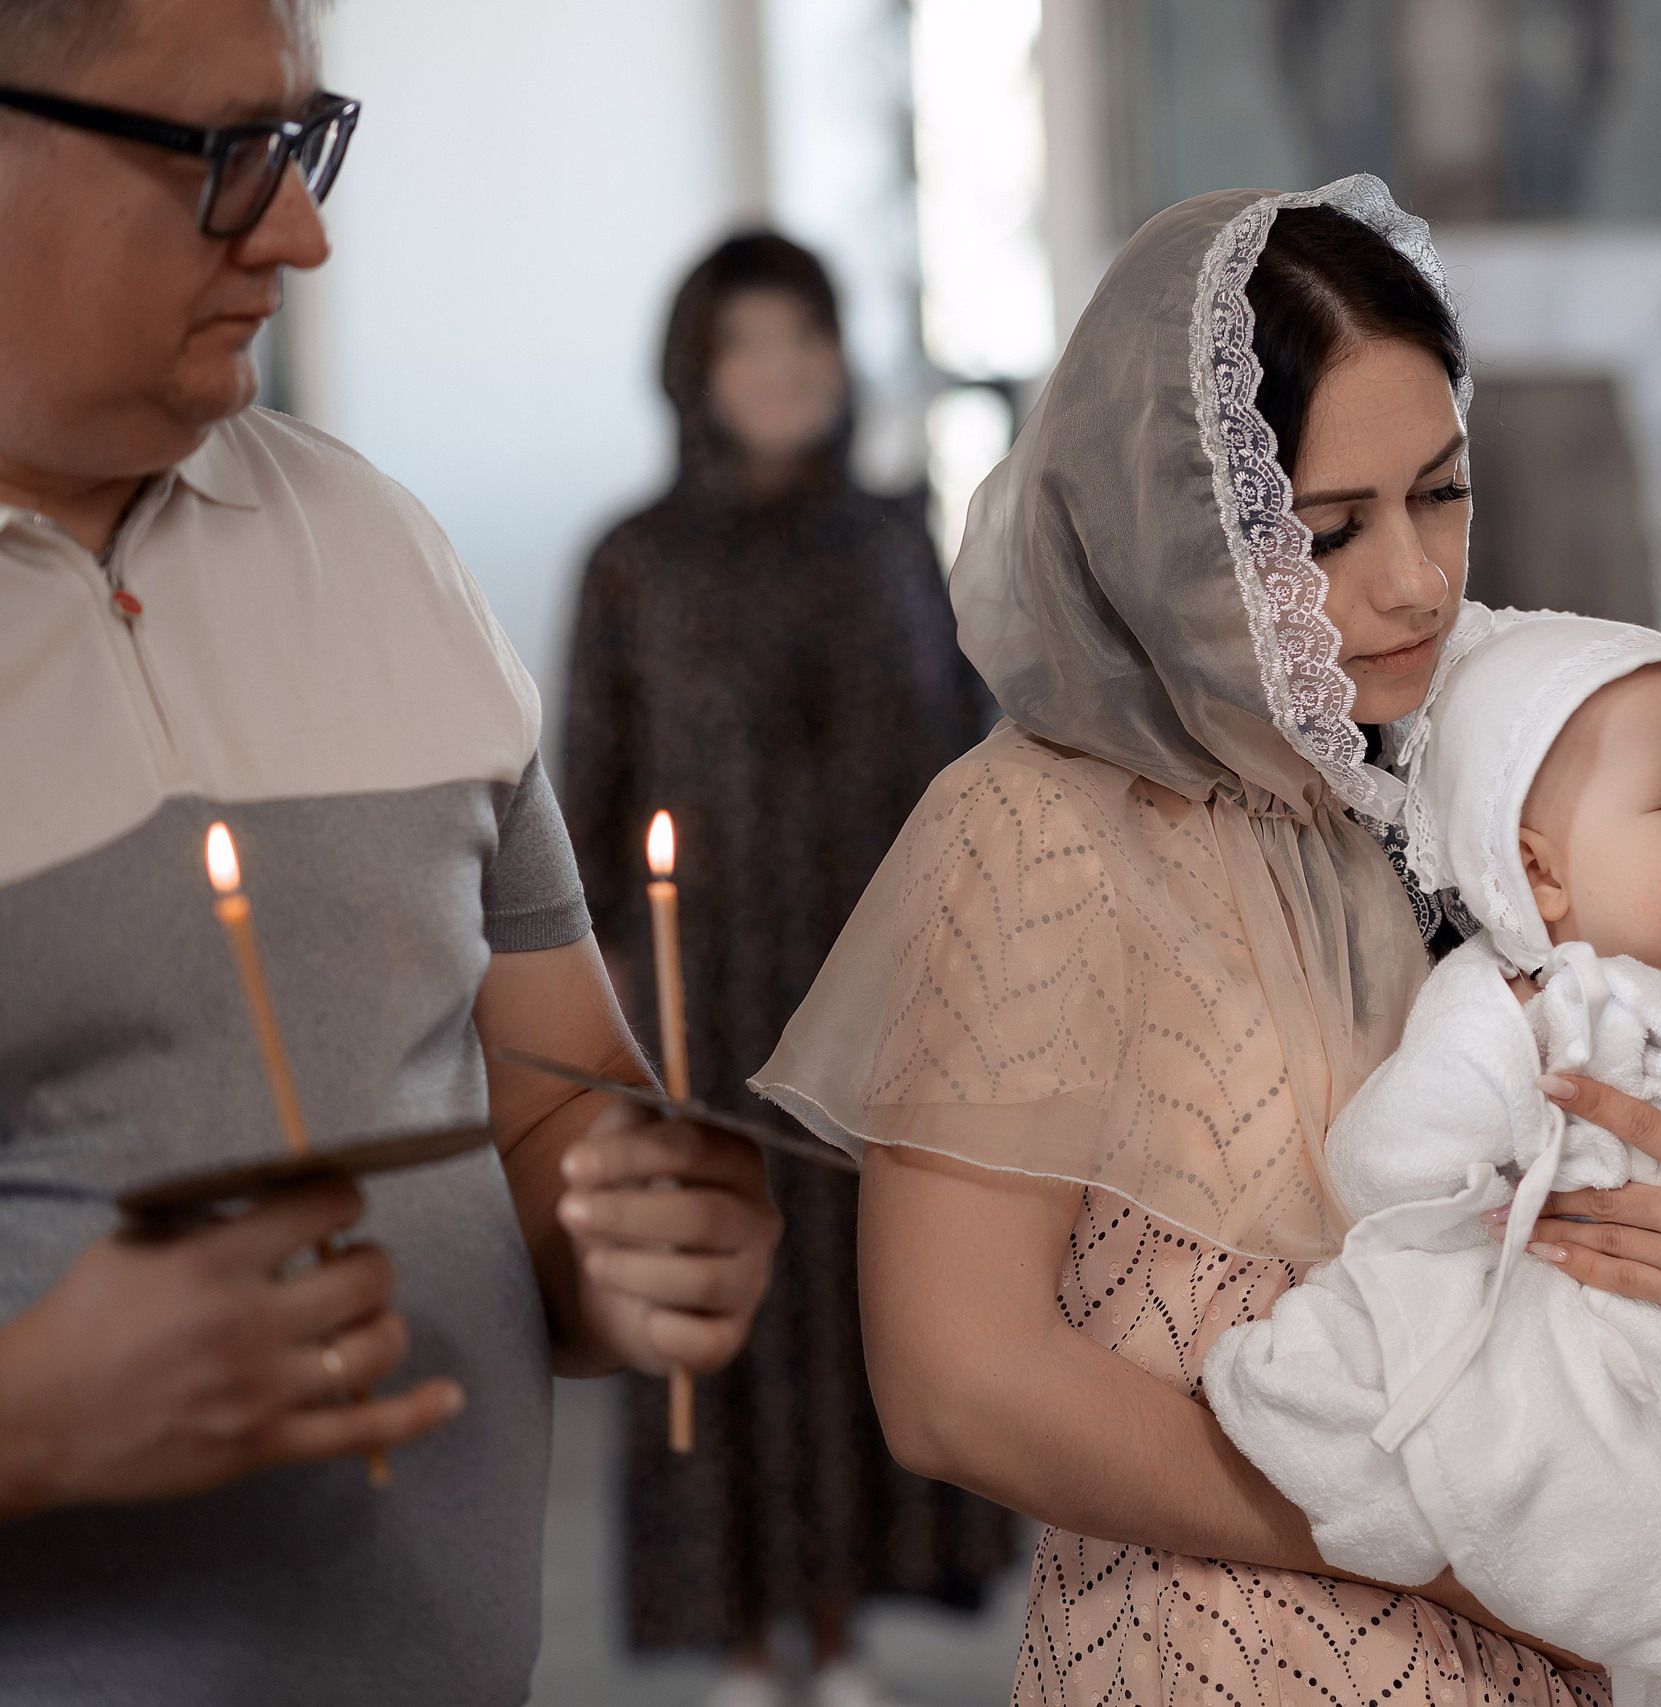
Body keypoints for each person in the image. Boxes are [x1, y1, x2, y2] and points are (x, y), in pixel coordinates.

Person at [755, 177, 1661, 1702]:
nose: (1411, 578)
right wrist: (1447, 1544)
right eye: (1327, 528)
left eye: (1442, 491)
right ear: (1181, 529)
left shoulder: (1465, 759)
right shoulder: (1040, 827)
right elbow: (961, 1381)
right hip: (1238, 1648)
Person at [0, 3, 780, 1703]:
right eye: (225, 157)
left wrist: (637, 1239)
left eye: (303, 141)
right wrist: (32, 1421)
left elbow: (554, 1103)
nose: (303, 229)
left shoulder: (379, 546)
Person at [1204, 612, 1661, 1704]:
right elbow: (1385, 1165)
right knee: (1562, 1457)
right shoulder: (1515, 1010)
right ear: (1542, 876)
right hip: (1602, 1319)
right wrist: (1491, 1195)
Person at [562, 232, 1006, 1707]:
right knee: (734, 1309)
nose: (782, 370)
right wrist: (612, 1008)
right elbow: (592, 803)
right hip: (712, 998)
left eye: (805, 338)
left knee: (863, 1302)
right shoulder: (631, 560)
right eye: (749, 343)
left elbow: (962, 763)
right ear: (699, 369)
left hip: (875, 990)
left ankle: (839, 1629)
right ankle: (751, 1644)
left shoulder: (891, 537)